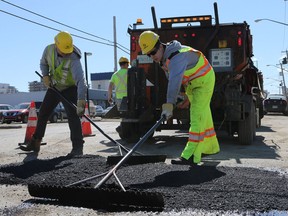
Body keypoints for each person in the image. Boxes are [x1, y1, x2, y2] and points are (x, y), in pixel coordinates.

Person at [139, 31, 220, 165]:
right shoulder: (164, 61)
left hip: (204, 81)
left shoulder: (177, 57)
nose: (151, 56)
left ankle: (190, 155)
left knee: (196, 116)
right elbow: (177, 81)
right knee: (203, 116)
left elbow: (174, 83)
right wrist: (185, 98)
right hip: (193, 84)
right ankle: (210, 147)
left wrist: (169, 104)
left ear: (160, 46)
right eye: (148, 54)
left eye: (153, 52)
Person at [20, 31, 87, 156]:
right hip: (54, 86)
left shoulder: (73, 57)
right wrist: (45, 75)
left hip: (69, 88)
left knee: (73, 116)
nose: (66, 53)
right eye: (63, 50)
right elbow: (43, 63)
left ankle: (78, 148)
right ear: (56, 45)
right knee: (44, 113)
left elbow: (81, 81)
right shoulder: (48, 50)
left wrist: (81, 101)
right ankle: (35, 143)